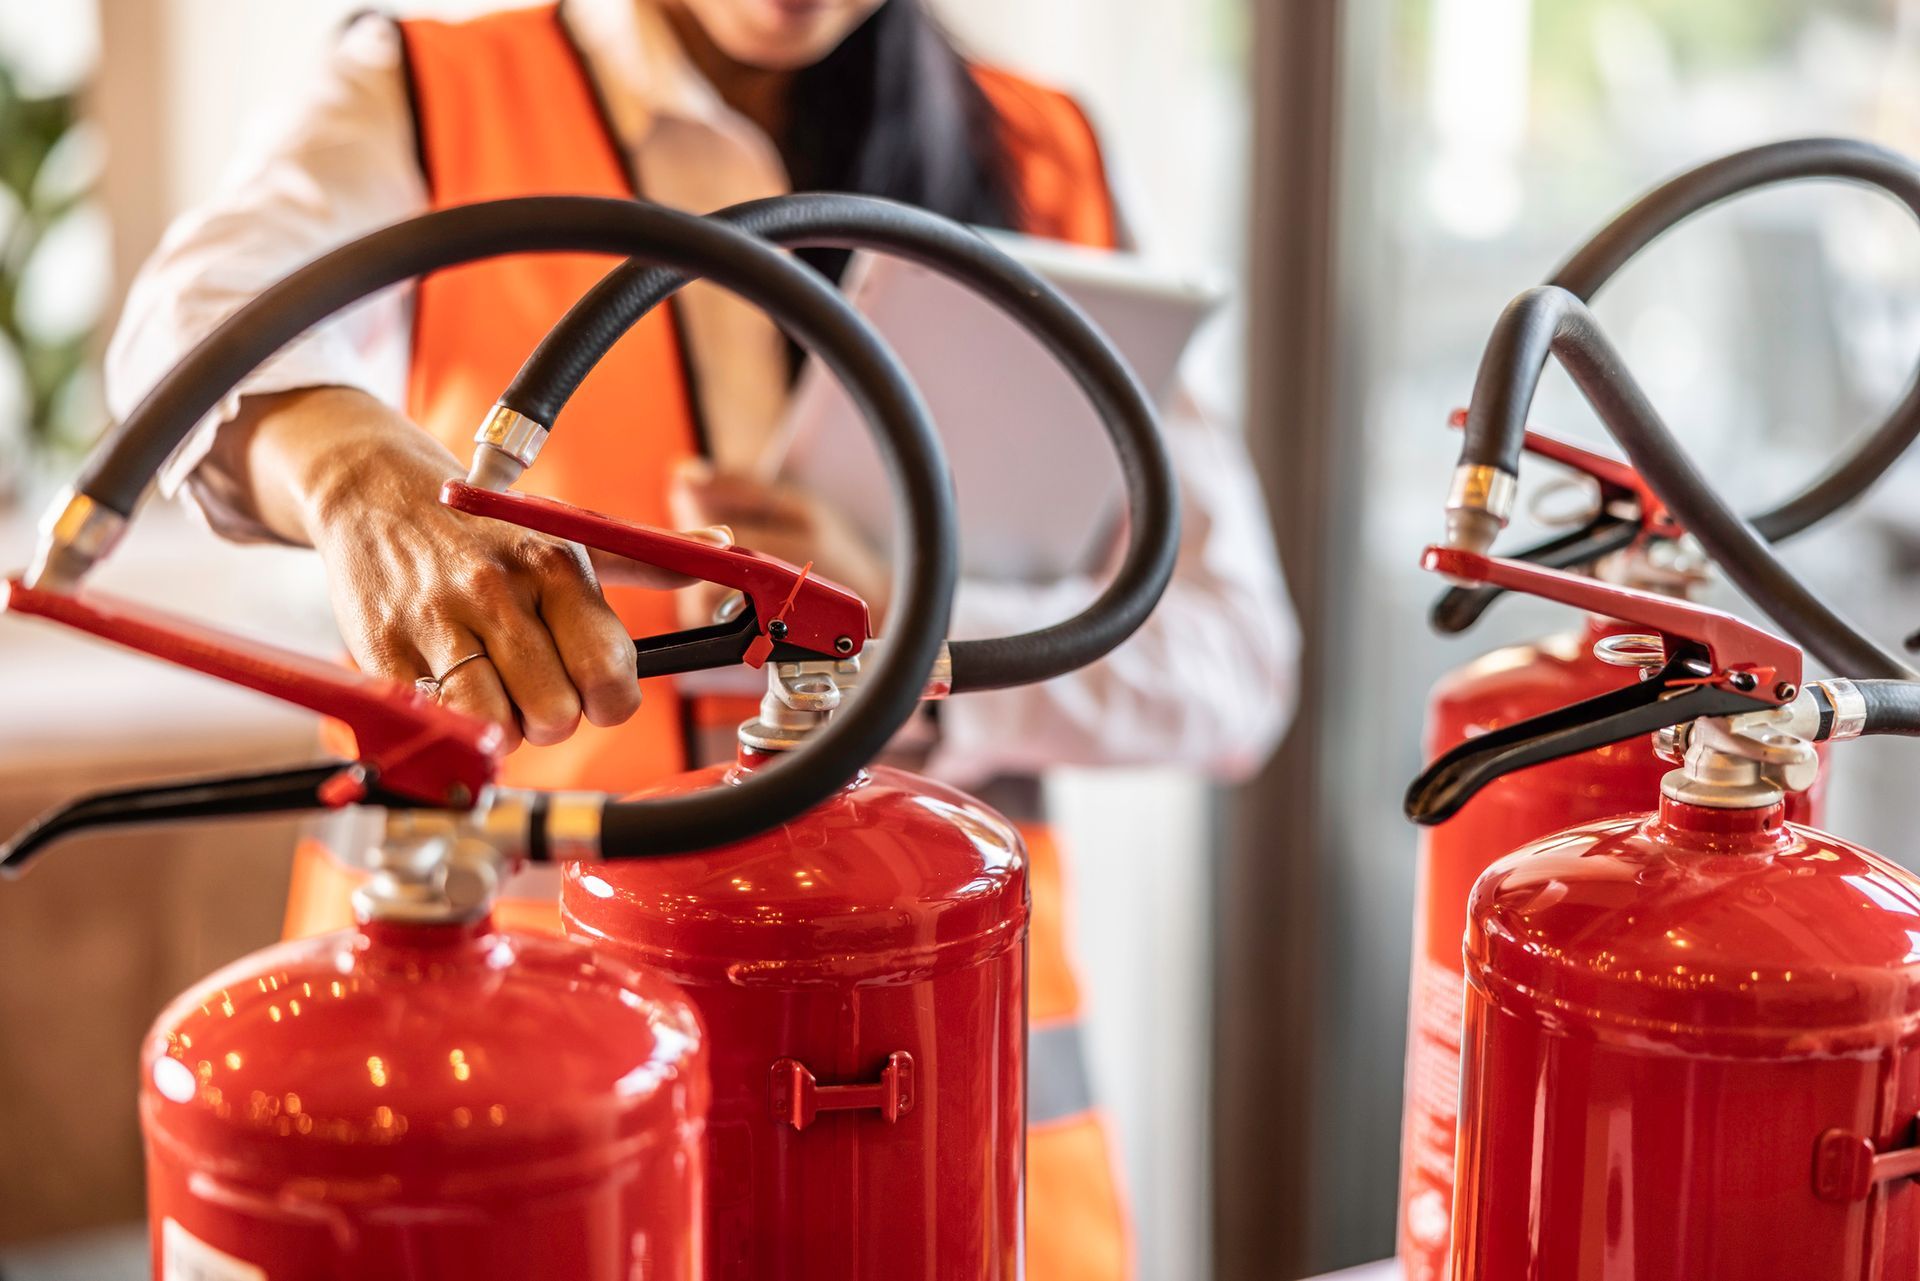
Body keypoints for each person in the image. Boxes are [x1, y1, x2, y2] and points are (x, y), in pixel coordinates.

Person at [106, 1, 1299, 1276]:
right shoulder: (426, 90)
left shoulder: (1045, 157)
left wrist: (905, 630)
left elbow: (1233, 661)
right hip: (517, 1108)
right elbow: (189, 326)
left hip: (919, 1120)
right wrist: (351, 474)